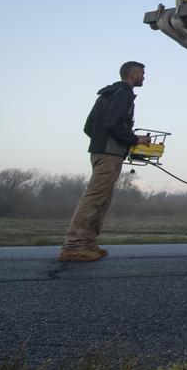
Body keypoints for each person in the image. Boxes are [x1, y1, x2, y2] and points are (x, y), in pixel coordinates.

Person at [59, 61, 150, 262]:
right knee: (94, 198)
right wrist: (135, 139)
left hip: (100, 151)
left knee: (102, 199)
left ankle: (88, 244)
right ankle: (72, 246)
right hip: (110, 154)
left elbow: (89, 126)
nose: (144, 77)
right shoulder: (125, 93)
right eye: (143, 74)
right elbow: (113, 123)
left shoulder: (107, 94)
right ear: (133, 74)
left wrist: (103, 142)